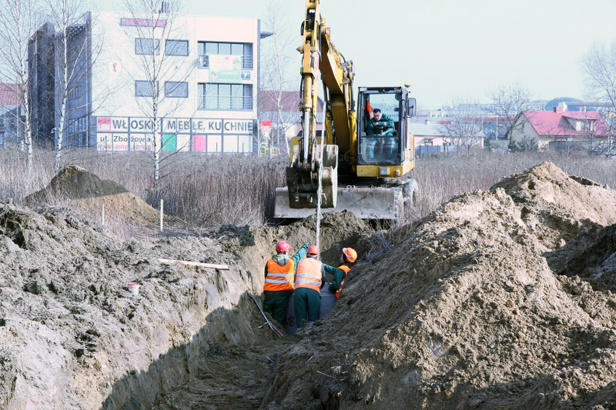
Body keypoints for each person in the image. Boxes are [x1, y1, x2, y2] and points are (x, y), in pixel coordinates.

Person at [263, 240, 309, 325]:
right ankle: (276, 335)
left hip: (269, 293)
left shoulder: (269, 262)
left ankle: (265, 333)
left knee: (266, 315)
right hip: (283, 294)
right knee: (278, 317)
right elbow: (299, 256)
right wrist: (305, 247)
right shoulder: (291, 263)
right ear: (285, 251)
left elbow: (266, 276)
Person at [294, 245, 340, 328]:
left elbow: (296, 276)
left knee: (300, 318)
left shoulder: (300, 262)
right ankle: (310, 337)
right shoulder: (320, 264)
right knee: (313, 319)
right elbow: (323, 280)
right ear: (316, 256)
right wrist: (317, 288)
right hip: (313, 292)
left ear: (307, 254)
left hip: (299, 291)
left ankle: (299, 336)